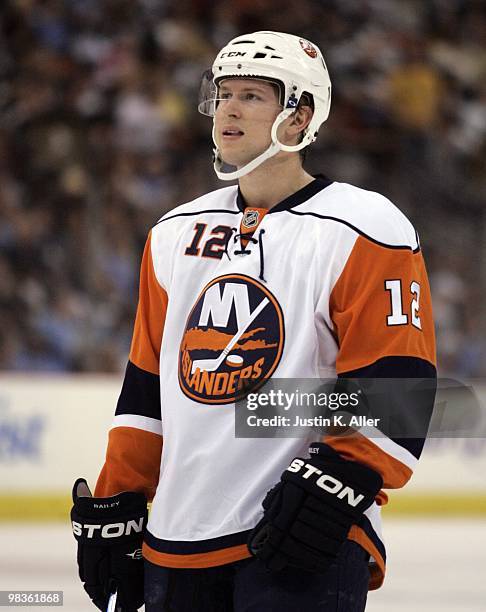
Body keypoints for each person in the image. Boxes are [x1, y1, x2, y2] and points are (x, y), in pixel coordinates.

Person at [71, 31, 436, 612]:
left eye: (252, 96)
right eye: (222, 95)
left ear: (300, 118)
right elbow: (147, 388)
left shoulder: (365, 226)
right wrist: (121, 496)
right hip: (175, 541)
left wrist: (339, 482)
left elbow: (399, 385)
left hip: (297, 539)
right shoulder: (173, 235)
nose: (229, 109)